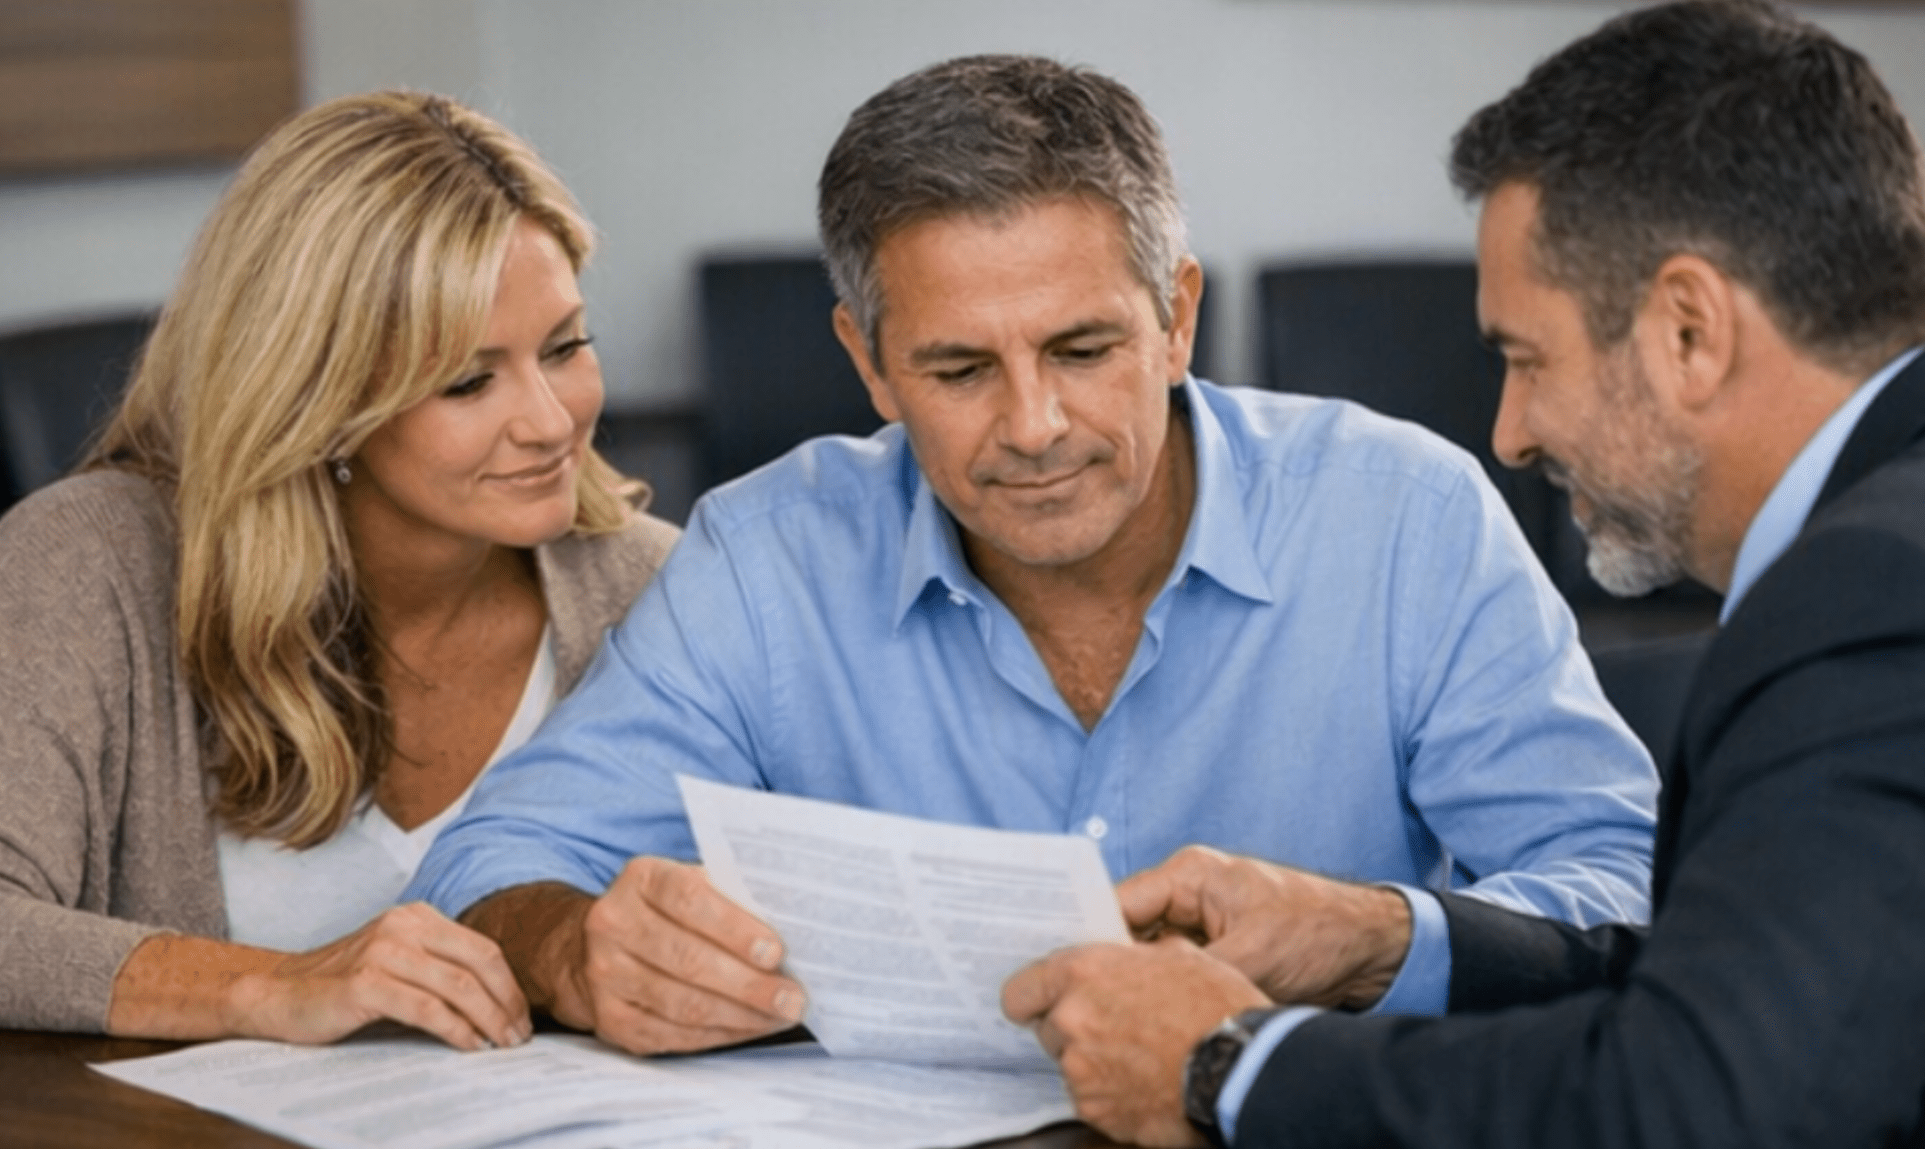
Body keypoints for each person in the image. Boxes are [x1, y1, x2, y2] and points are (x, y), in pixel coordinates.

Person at [1001, 3, 1925, 1149]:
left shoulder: (1885, 595)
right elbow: (1771, 979)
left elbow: (1705, 1127)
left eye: (1522, 355)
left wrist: (1230, 1064)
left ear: (1687, 328)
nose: (1508, 430)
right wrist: (1384, 937)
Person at [407, 55, 1657, 1058]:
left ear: (1175, 316)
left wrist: (1374, 935)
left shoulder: (1403, 518)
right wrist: (579, 949)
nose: (1034, 426)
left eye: (1080, 349)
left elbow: (1624, 888)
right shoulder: (765, 555)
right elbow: (496, 860)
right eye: (958, 369)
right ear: (868, 364)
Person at [0, 92, 677, 1051]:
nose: (550, 419)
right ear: (317, 401)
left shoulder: (654, 589)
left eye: (565, 348)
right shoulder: (87, 566)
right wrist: (268, 988)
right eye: (469, 381)